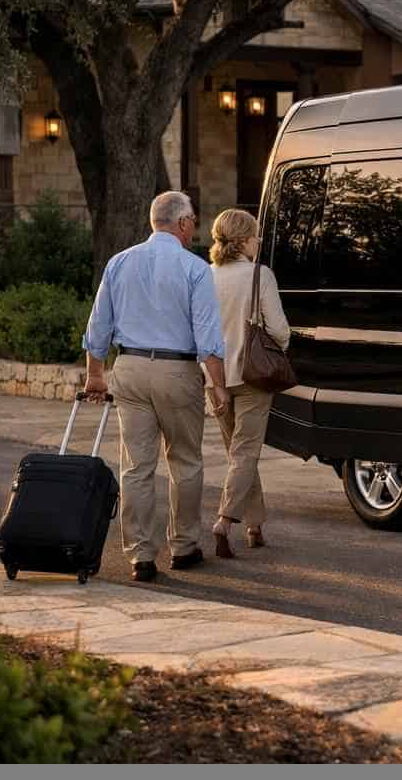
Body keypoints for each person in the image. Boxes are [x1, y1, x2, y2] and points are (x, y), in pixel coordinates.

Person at [83, 192, 228, 583]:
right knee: (185, 462)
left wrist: (95, 373)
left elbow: (99, 325)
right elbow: (208, 336)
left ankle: (141, 557)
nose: (194, 227)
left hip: (128, 367)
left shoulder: (119, 262)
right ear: (181, 223)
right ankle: (184, 547)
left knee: (136, 467)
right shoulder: (195, 269)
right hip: (177, 371)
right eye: (193, 221)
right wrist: (219, 385)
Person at [206, 209, 290, 559]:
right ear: (242, 240)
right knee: (246, 452)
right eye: (255, 235)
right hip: (253, 375)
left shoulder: (204, 276)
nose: (259, 241)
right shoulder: (261, 275)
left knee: (239, 454)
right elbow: (280, 331)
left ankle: (255, 526)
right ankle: (225, 521)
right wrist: (278, 349)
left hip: (215, 378)